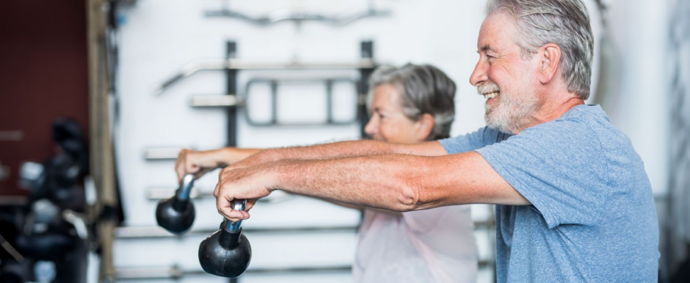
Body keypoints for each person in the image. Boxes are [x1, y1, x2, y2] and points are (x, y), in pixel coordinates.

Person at [208, 0, 660, 282]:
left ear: (546, 62)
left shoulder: (577, 147)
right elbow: (390, 154)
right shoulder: (510, 140)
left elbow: (410, 186)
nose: (475, 75)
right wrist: (262, 163)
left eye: (490, 56)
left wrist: (273, 174)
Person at [176, 64, 479, 282]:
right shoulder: (379, 188)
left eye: (381, 115)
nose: (370, 127)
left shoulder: (434, 189)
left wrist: (231, 161)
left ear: (423, 126)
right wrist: (226, 160)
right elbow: (329, 172)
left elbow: (336, 173)